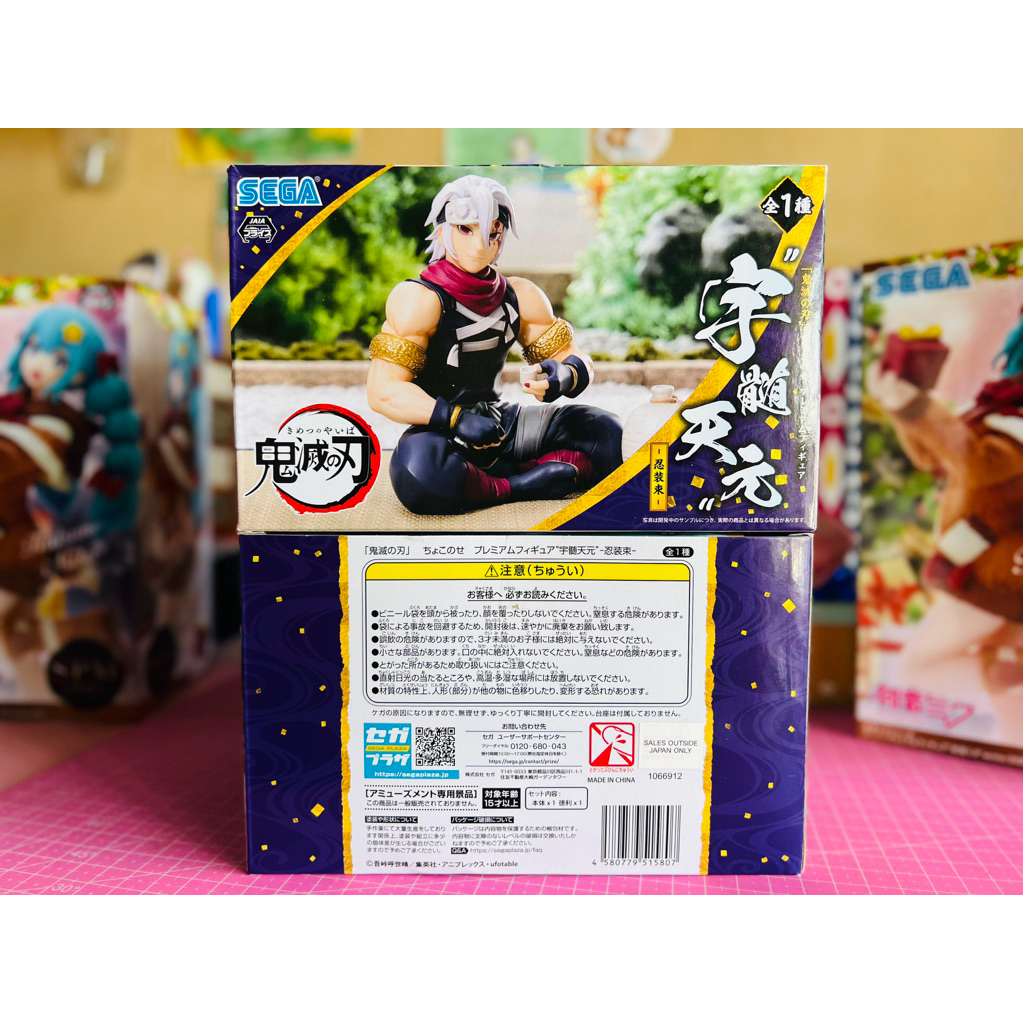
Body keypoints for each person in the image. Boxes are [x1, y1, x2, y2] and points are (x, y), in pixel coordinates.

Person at [367, 174, 622, 515]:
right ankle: (519, 484)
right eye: (465, 229)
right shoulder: (418, 300)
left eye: (492, 232)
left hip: (502, 425)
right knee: (417, 470)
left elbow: (575, 358)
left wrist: (563, 376)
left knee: (607, 432)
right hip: (444, 433)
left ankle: (504, 476)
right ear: (442, 231)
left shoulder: (520, 295)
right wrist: (454, 418)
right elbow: (383, 392)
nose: (479, 245)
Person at [872, 317, 1023, 742]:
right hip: (990, 561)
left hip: (994, 572)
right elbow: (936, 458)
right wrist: (905, 408)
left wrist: (914, 407)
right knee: (1002, 663)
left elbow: (978, 461)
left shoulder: (1010, 423)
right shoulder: (1002, 408)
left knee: (921, 666)